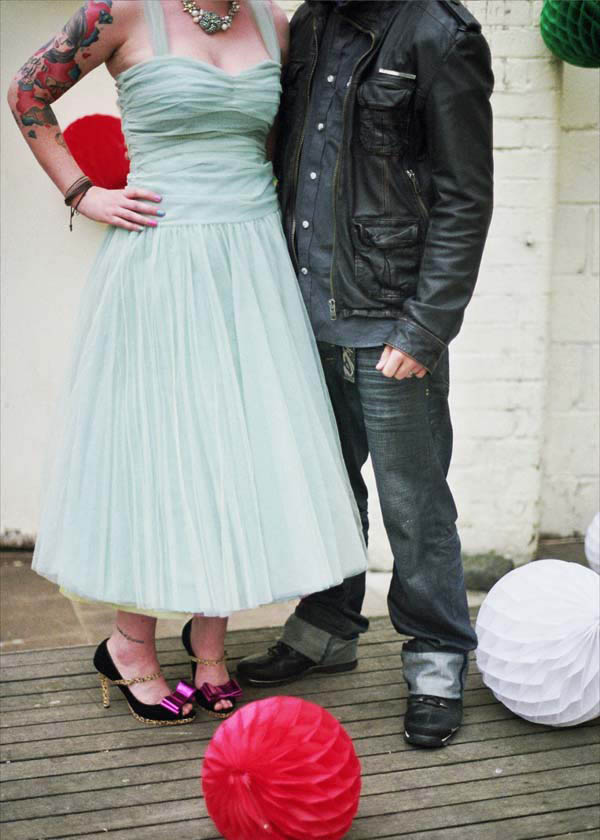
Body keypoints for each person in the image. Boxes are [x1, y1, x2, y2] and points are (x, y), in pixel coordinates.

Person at [7, 0, 367, 726]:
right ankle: (129, 644)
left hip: (253, 263)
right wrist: (83, 192)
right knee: (158, 447)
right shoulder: (119, 12)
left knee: (235, 447)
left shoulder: (273, 23)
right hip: (162, 260)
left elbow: (277, 145)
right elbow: (26, 92)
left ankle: (209, 647)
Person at [238, 0, 494, 748]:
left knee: (414, 502)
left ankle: (438, 654)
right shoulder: (311, 22)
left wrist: (426, 326)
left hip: (390, 324)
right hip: (302, 314)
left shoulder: (441, 34)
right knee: (324, 489)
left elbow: (465, 196)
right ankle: (326, 627)